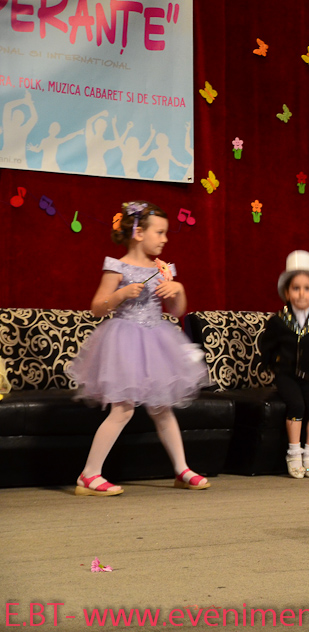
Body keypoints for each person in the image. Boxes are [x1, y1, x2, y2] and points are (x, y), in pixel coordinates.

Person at [69, 201, 210, 496]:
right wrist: (120, 294)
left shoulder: (163, 268)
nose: (165, 239)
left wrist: (178, 290)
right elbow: (97, 308)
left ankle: (182, 469)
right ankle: (89, 474)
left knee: (162, 408)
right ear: (138, 233)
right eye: (159, 232)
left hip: (156, 340)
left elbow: (176, 311)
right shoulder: (117, 266)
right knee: (122, 409)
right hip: (125, 342)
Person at [257, 251, 309, 479]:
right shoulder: (278, 321)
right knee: (296, 405)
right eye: (295, 288)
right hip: (286, 375)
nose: (301, 293)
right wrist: (272, 365)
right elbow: (267, 346)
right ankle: (294, 453)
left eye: (307, 288)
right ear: (286, 293)